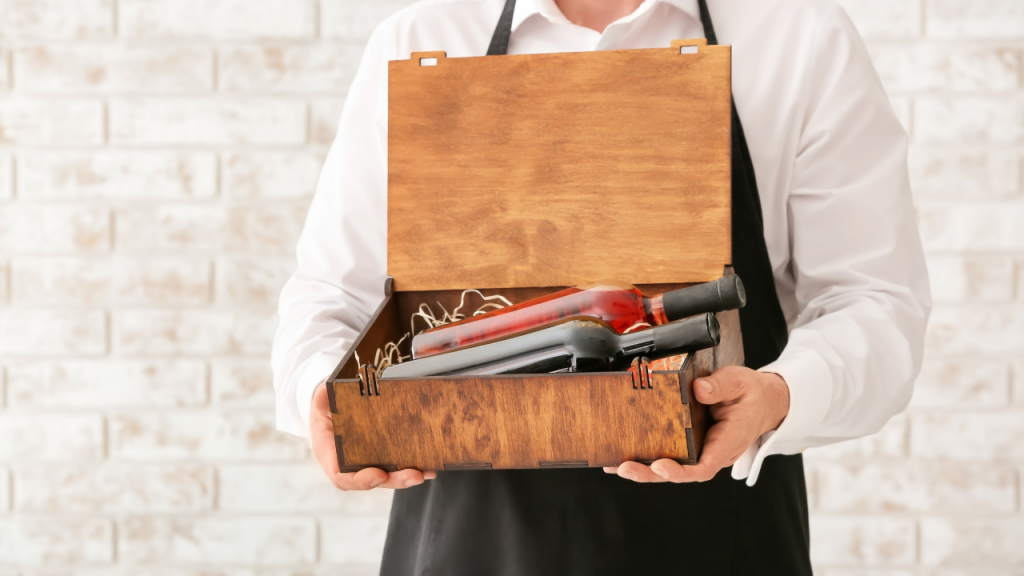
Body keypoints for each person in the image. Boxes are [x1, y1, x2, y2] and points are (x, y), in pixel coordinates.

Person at [272, 0, 931, 573]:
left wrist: (780, 395)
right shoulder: (420, 37)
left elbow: (874, 301)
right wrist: (321, 394)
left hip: (722, 543)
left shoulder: (799, 38)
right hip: (467, 547)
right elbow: (332, 296)